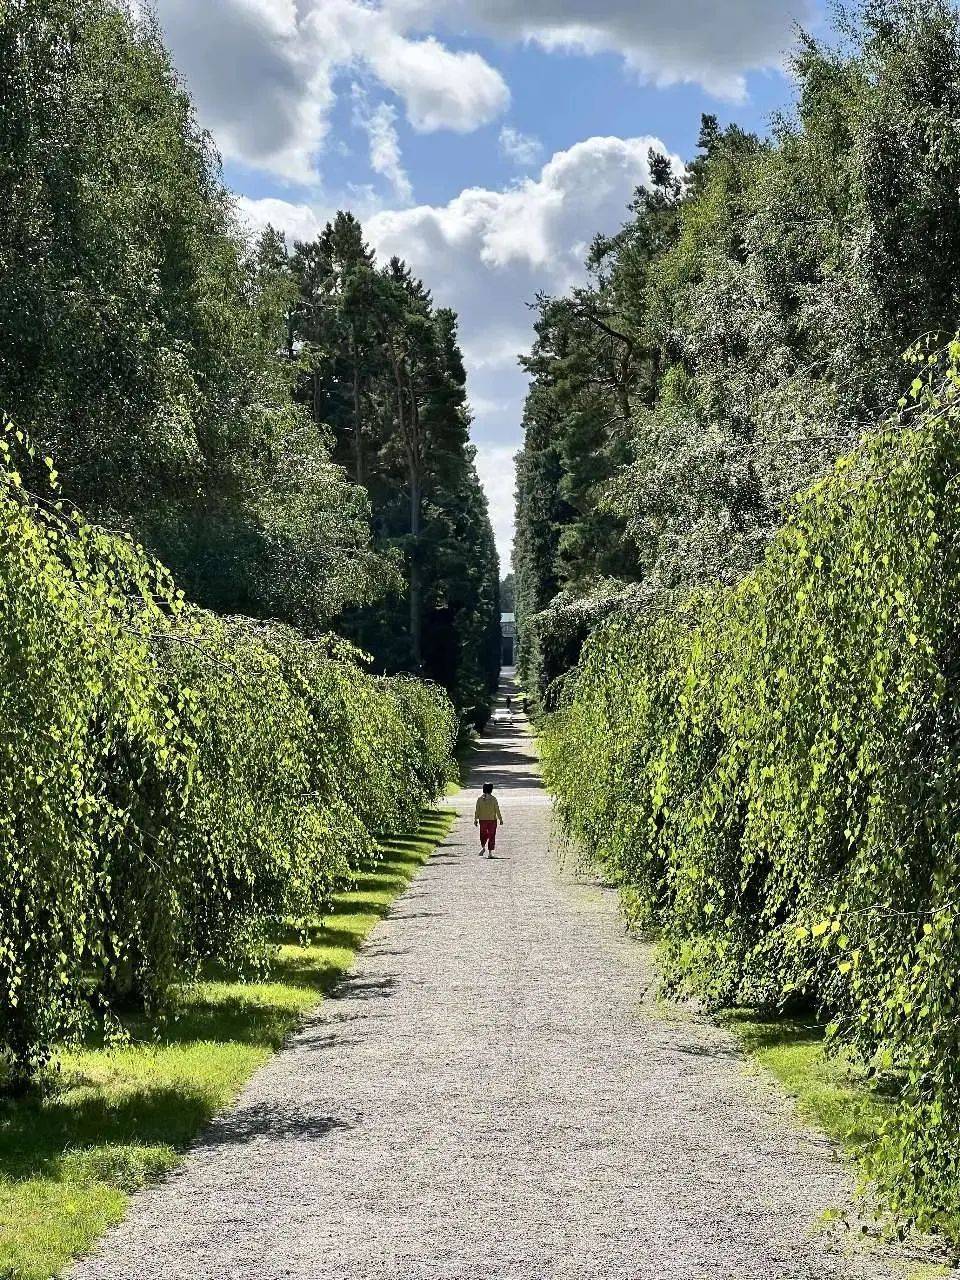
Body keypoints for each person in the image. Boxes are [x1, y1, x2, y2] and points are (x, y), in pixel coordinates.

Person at [474, 783, 503, 857]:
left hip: (482, 820)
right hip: (492, 820)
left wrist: (475, 819)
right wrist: (500, 819)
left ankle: (483, 847)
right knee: (491, 836)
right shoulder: (493, 799)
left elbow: (477, 810)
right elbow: (497, 810)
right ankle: (490, 853)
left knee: (483, 834)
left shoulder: (480, 799)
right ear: (491, 790)